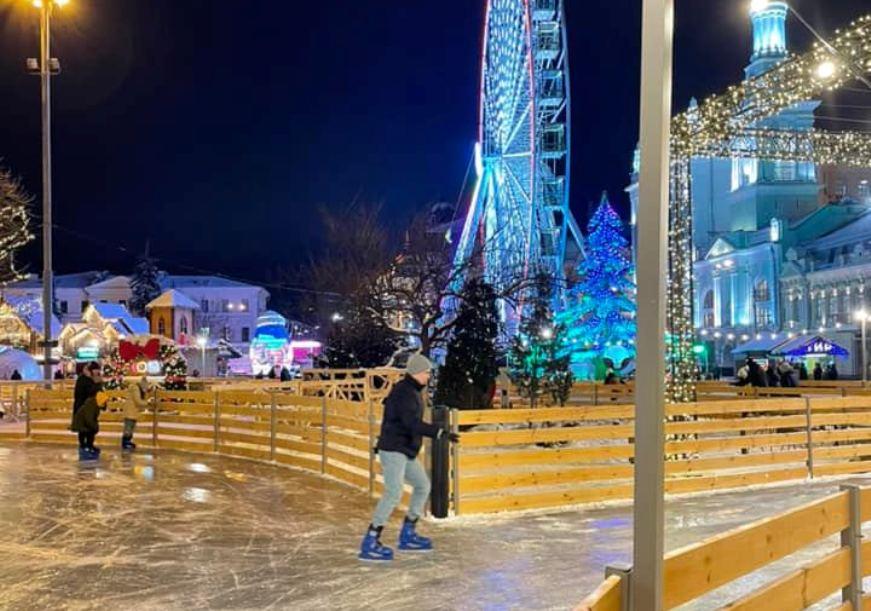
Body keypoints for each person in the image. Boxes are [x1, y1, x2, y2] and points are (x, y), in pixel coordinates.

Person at [359, 354, 459, 562]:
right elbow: (410, 423)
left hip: (405, 449)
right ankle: (371, 539)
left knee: (422, 485)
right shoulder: (403, 392)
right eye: (427, 372)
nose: (429, 376)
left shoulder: (412, 391)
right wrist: (438, 432)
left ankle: (408, 532)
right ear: (416, 372)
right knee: (393, 493)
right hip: (393, 449)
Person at [72, 390, 109, 460]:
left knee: (89, 433)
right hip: (81, 422)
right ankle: (84, 447)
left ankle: (89, 445)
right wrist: (94, 426)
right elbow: (89, 417)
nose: (105, 403)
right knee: (85, 433)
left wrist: (94, 426)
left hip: (85, 421)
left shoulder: (96, 404)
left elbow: (92, 417)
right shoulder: (92, 404)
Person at [71, 362, 101, 434]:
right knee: (82, 428)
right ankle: (84, 441)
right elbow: (89, 392)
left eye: (98, 369)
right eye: (96, 369)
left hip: (92, 407)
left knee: (91, 428)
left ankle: (89, 440)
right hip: (82, 406)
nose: (97, 371)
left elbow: (100, 392)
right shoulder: (83, 379)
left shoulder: (96, 378)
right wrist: (96, 383)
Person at [122, 377, 150, 451]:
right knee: (128, 427)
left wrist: (146, 394)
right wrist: (148, 403)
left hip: (132, 411)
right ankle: (125, 443)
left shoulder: (138, 389)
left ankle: (128, 442)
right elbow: (138, 401)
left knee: (131, 427)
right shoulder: (135, 389)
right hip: (130, 411)